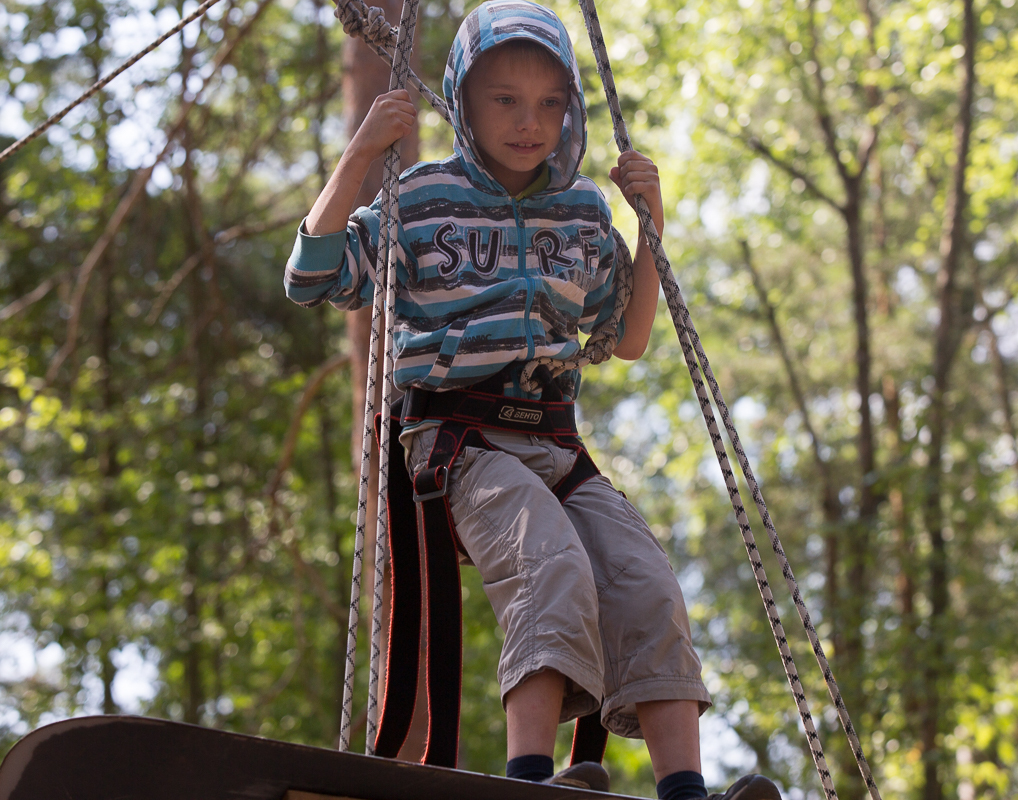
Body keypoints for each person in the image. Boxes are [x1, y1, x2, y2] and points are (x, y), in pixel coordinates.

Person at [285, 3, 780, 799]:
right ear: (463, 102)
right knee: (547, 559)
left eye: (550, 102)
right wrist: (358, 157)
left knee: (644, 579)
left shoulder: (580, 211)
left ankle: (684, 788)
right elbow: (312, 277)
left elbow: (625, 335)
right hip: (457, 439)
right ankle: (530, 778)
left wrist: (649, 224)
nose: (530, 122)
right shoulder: (421, 196)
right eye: (505, 100)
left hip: (552, 441)